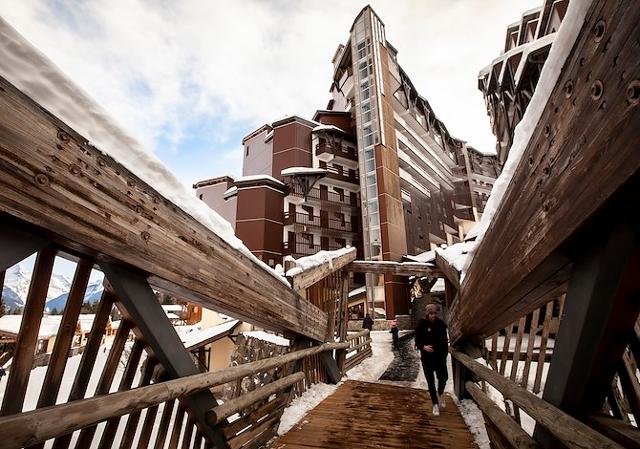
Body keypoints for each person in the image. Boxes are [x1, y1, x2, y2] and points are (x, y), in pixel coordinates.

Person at [415, 303, 448, 416]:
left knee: (443, 378)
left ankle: (440, 393)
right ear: (427, 314)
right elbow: (417, 340)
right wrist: (423, 347)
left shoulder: (441, 324)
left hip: (439, 357)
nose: (433, 315)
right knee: (431, 382)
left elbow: (444, 340)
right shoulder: (421, 324)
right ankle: (435, 404)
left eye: (434, 313)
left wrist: (443, 354)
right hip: (427, 358)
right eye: (431, 313)